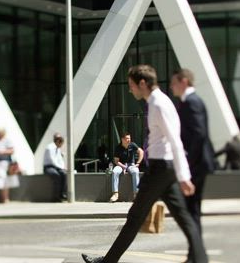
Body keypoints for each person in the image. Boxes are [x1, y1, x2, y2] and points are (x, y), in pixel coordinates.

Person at [81, 64, 208, 263]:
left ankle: (108, 262)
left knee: (135, 217)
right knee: (184, 217)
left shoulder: (158, 104)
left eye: (131, 85)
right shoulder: (158, 102)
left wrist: (184, 176)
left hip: (160, 169)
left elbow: (175, 140)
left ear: (142, 83)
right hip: (163, 169)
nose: (129, 90)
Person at [171, 68, 216, 235]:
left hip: (196, 164)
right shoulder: (190, 101)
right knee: (191, 210)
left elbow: (199, 133)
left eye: (174, 82)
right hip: (197, 163)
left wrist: (187, 161)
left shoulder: (191, 102)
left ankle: (196, 254)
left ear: (184, 81)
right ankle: (196, 253)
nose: (171, 86)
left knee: (191, 210)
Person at [110, 132, 143, 202]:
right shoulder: (118, 148)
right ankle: (115, 194)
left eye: (129, 138)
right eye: (127, 138)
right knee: (115, 171)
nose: (129, 140)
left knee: (136, 171)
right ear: (122, 139)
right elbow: (116, 161)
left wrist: (138, 163)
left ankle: (136, 194)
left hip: (131, 164)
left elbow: (141, 152)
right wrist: (123, 167)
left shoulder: (132, 145)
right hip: (120, 165)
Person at [0, 128, 19, 203]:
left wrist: (2, 152)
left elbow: (12, 150)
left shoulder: (7, 141)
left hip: (5, 163)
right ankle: (2, 198)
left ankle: (5, 198)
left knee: (5, 180)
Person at [44, 132, 67, 202]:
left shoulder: (58, 148)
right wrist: (61, 167)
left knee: (63, 174)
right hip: (48, 167)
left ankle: (62, 194)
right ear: (57, 141)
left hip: (56, 167)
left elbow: (60, 160)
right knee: (56, 175)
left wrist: (63, 167)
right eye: (61, 143)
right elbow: (52, 160)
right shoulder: (50, 147)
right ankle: (55, 197)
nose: (61, 146)